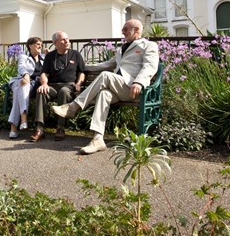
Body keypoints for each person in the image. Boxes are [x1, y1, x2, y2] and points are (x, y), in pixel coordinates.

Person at [52, 19, 159, 155]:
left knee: (106, 76)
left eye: (126, 29)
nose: (122, 32)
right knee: (104, 94)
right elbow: (106, 64)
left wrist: (139, 82)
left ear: (136, 30)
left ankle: (73, 107)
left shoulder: (148, 45)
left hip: (132, 88)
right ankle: (97, 139)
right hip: (118, 88)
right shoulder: (122, 48)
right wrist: (83, 67)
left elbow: (150, 66)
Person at [31, 31, 85, 142]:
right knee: (41, 91)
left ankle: (60, 127)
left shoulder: (75, 54)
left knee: (64, 91)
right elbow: (44, 73)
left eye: (67, 39)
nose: (67, 41)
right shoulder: (50, 56)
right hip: (53, 86)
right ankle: (40, 128)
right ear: (55, 43)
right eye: (63, 39)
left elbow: (82, 72)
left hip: (69, 86)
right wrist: (44, 84)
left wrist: (79, 83)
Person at [7, 37, 44, 139]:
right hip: (22, 81)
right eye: (37, 44)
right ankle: (23, 119)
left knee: (19, 93)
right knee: (23, 85)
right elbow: (21, 67)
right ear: (30, 46)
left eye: (41, 44)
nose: (40, 46)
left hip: (35, 85)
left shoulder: (44, 58)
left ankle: (14, 128)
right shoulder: (23, 57)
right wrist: (26, 74)